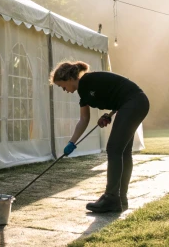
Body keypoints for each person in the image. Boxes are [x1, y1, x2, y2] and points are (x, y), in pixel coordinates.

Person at [50, 60, 149, 213]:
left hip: (135, 102)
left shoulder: (88, 81)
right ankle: (121, 198)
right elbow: (84, 119)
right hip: (135, 103)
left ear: (69, 79)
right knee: (122, 151)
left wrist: (112, 112)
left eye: (61, 85)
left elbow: (124, 92)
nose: (63, 89)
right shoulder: (83, 92)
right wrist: (72, 143)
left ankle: (111, 199)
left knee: (114, 149)